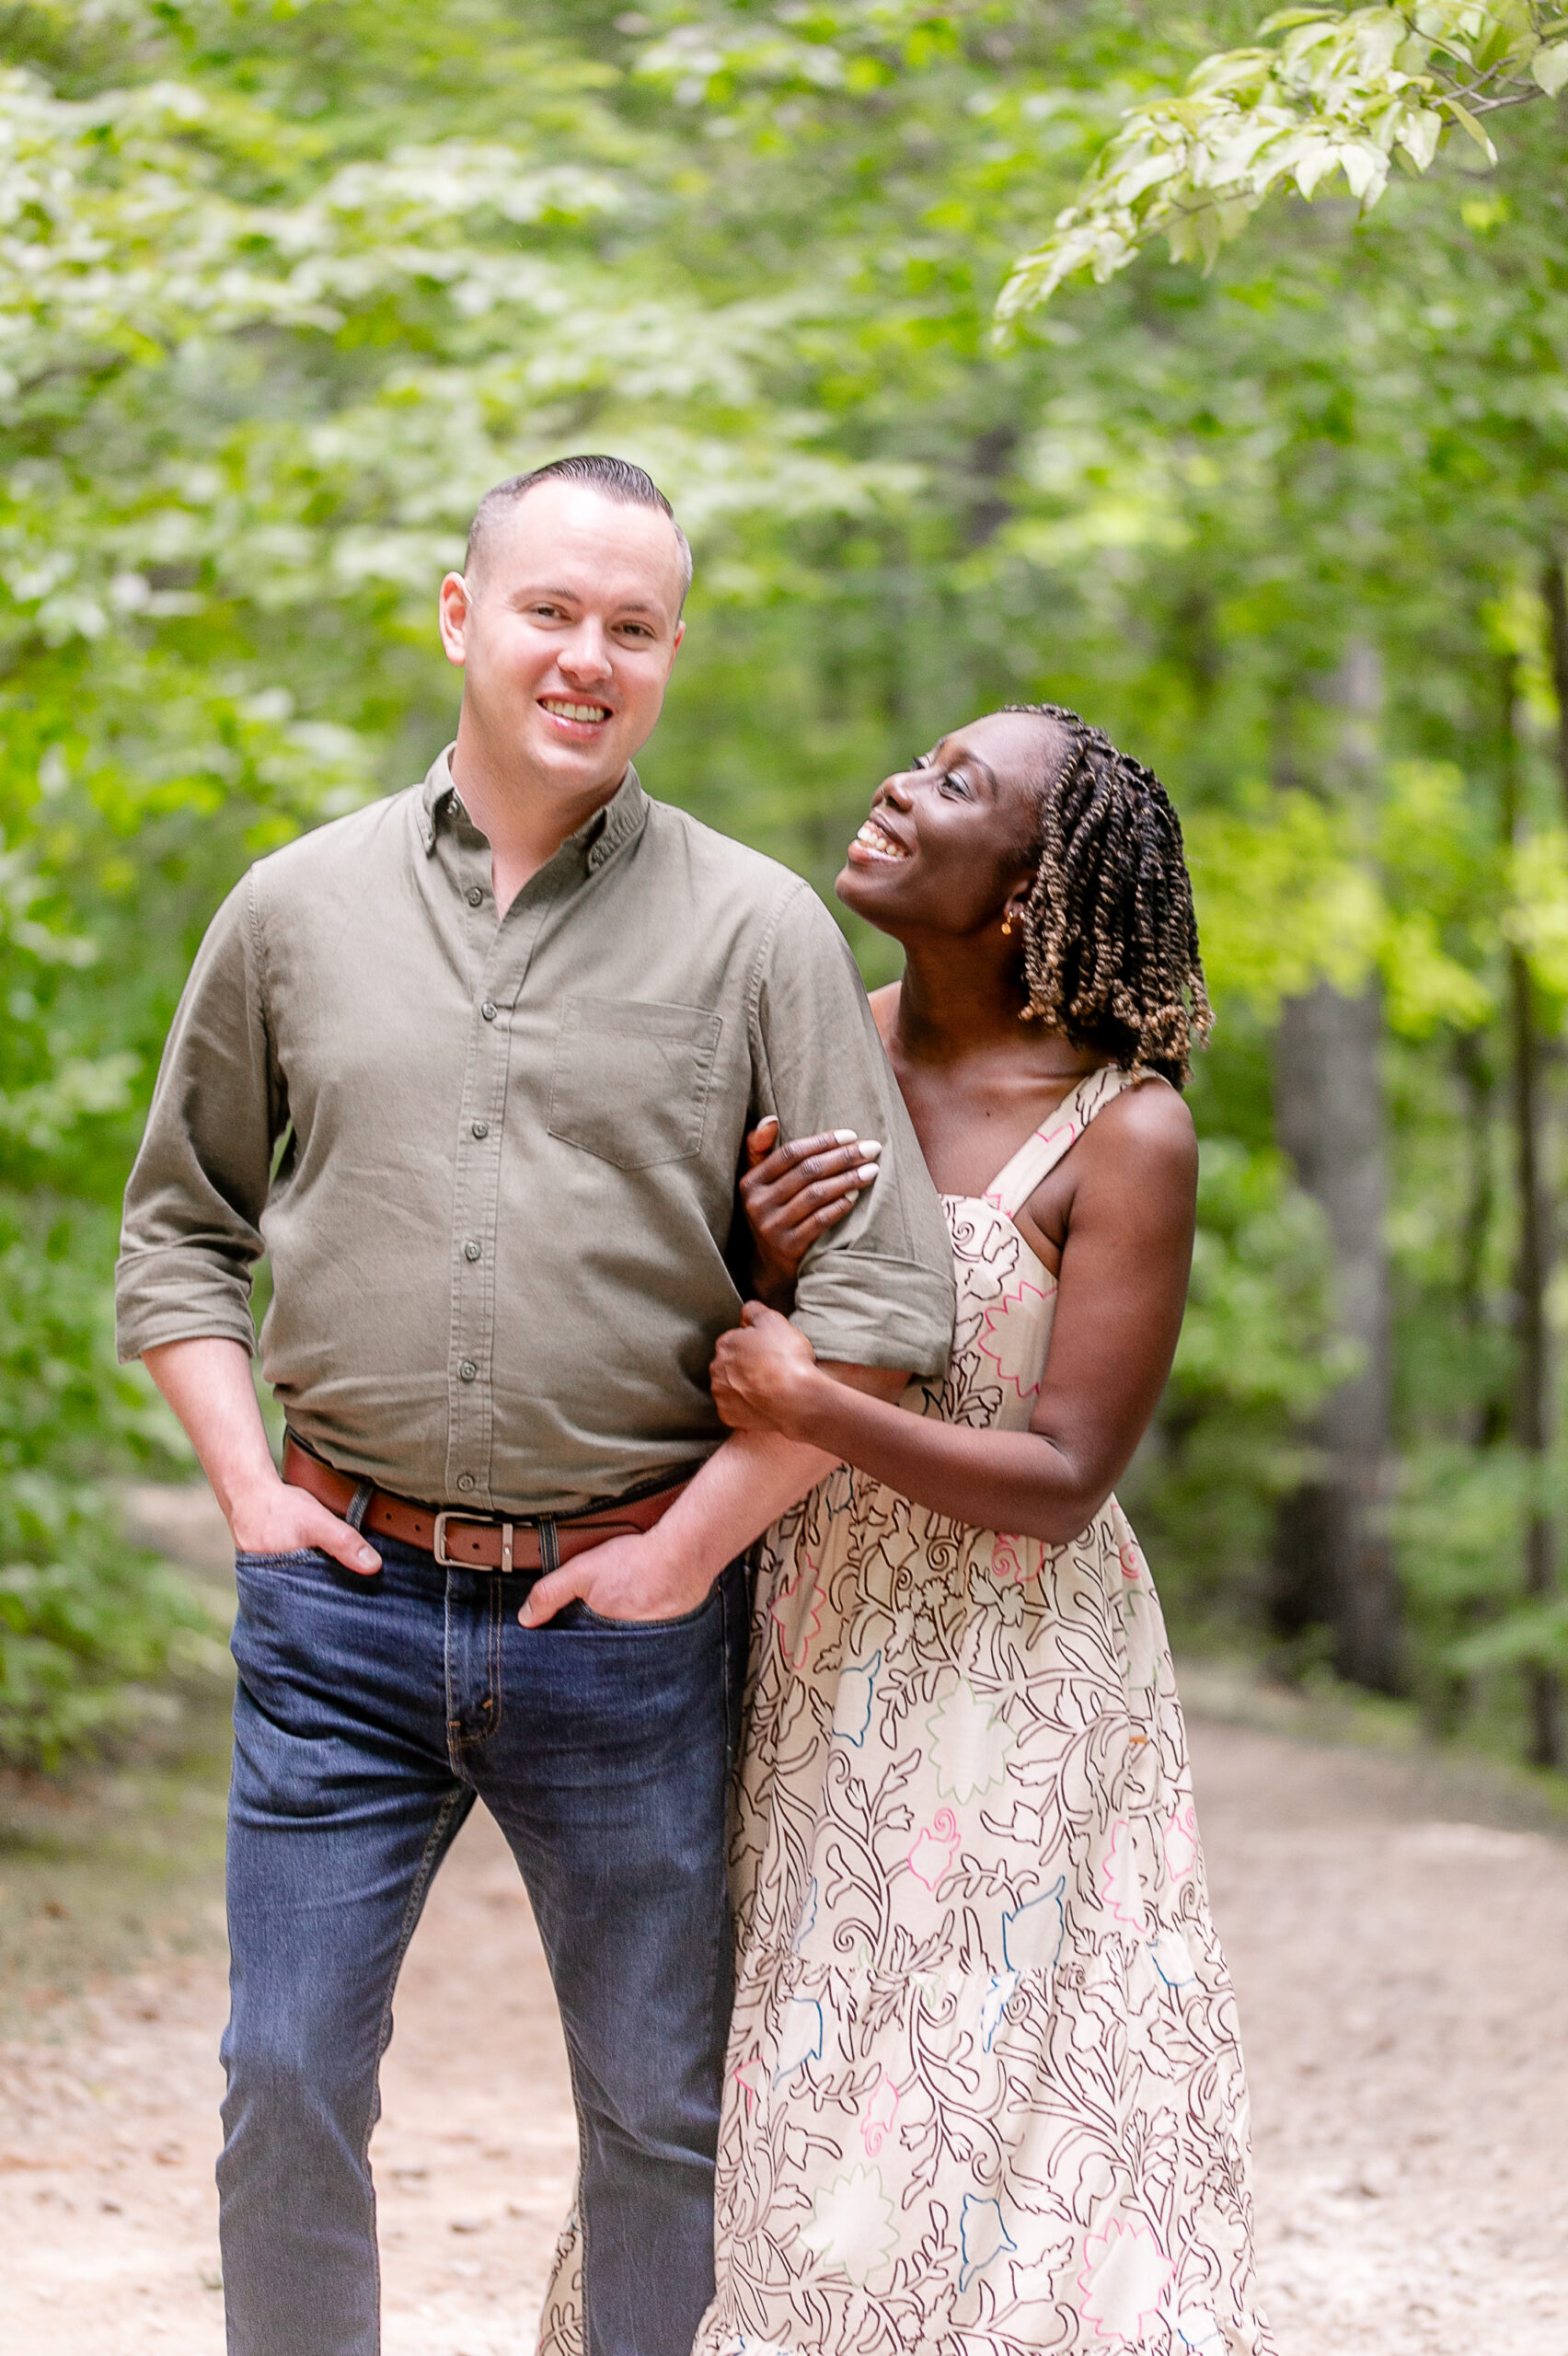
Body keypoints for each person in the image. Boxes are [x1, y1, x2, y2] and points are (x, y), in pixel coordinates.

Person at [113, 454, 956, 2356]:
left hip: (627, 1629)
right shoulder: (291, 906)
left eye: (632, 627)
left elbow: (887, 1302)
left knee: (659, 2121)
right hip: (337, 1606)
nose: (587, 656)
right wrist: (248, 1488)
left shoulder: (756, 934)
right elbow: (177, 1234)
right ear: (459, 614)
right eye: (551, 610)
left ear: (670, 654)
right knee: (284, 2084)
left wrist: (684, 1550)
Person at [697, 705, 1274, 2353]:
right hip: (804, 1627)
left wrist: (819, 1411)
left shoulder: (1122, 1130)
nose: (895, 781)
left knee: (972, 2069)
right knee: (783, 2058)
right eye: (920, 757)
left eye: (956, 785)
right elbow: (730, 1348)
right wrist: (748, 1254)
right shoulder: (819, 1054)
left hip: (1009, 1669)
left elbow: (1066, 1472)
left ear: (1026, 891)